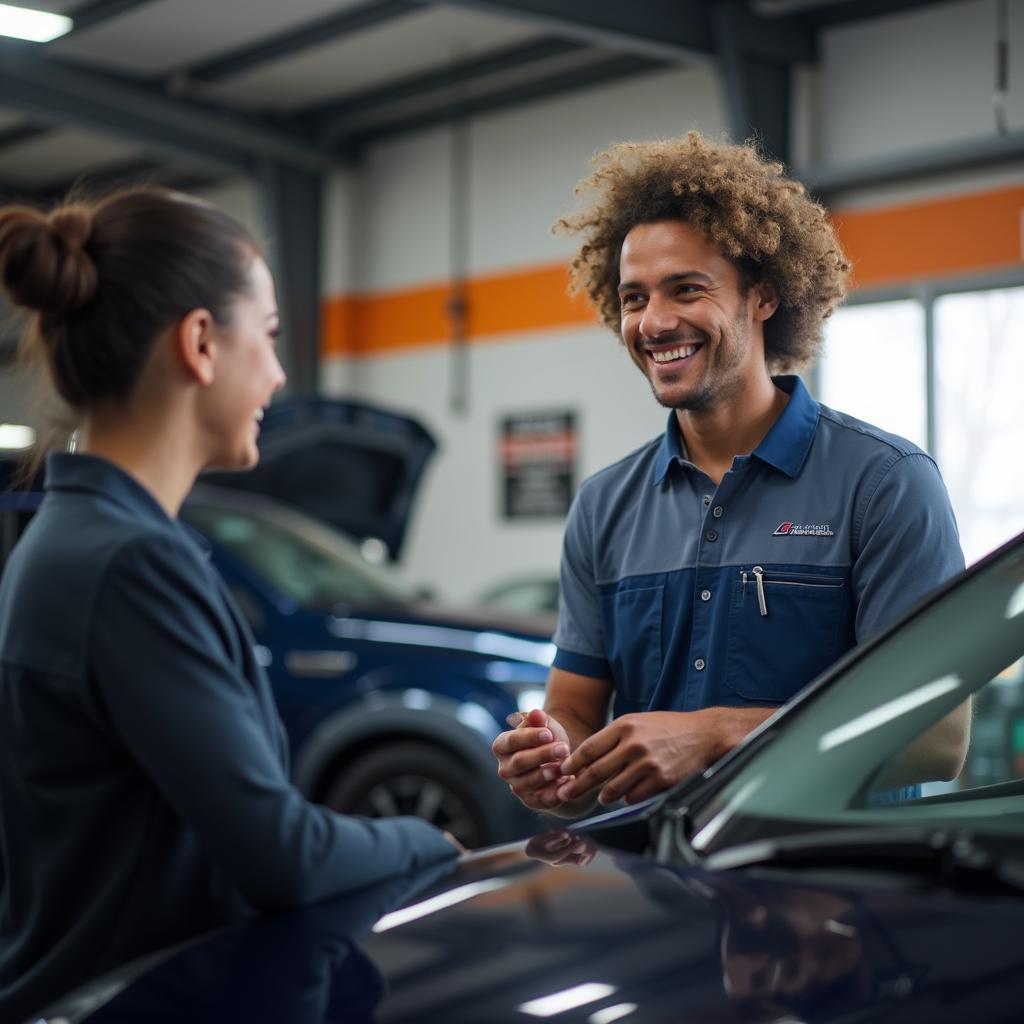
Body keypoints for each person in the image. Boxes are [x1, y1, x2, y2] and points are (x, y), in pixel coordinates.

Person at [0, 189, 459, 1019]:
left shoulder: (81, 540)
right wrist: (432, 843)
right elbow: (280, 856)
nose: (279, 377)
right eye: (272, 335)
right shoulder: (128, 563)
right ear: (202, 342)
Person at [493, 132, 967, 816]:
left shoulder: (885, 483)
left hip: (839, 895)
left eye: (686, 290)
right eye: (633, 298)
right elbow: (573, 705)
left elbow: (936, 738)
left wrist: (715, 735)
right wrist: (553, 753)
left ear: (764, 296)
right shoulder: (604, 506)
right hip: (660, 886)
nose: (654, 322)